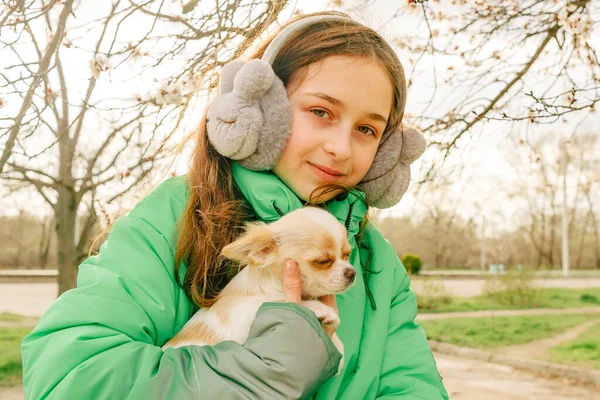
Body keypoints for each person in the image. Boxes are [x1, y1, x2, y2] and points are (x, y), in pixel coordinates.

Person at [21, 11, 448, 400]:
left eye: (367, 130)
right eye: (320, 111)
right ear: (258, 110)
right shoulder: (172, 216)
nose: (340, 147)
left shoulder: (377, 262)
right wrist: (260, 374)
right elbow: (69, 377)